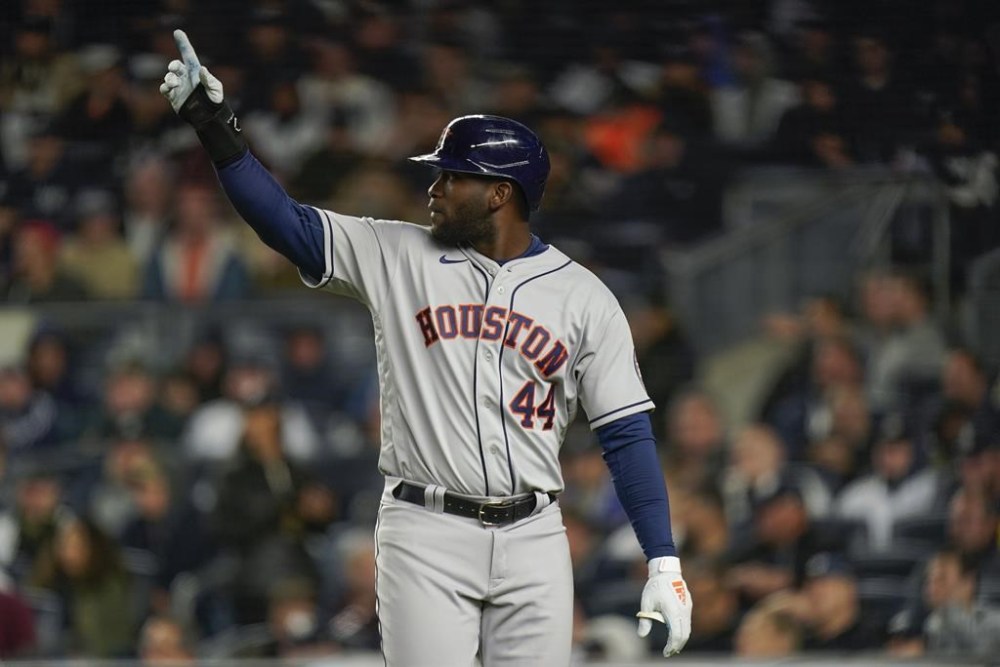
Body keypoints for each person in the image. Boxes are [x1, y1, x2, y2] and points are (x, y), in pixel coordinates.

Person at [160, 29, 691, 665]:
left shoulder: (584, 296)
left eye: (451, 177)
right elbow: (287, 223)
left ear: (501, 194)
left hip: (535, 535)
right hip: (425, 527)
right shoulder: (397, 253)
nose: (433, 189)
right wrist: (218, 130)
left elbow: (626, 435)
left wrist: (662, 559)